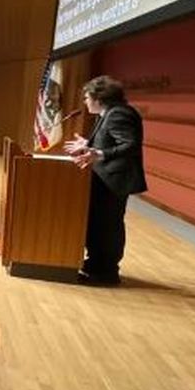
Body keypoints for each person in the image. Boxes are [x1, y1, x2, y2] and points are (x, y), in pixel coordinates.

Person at [64, 75, 147, 286]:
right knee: (97, 223)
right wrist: (88, 144)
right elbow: (110, 141)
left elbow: (130, 145)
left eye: (86, 97)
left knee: (108, 226)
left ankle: (107, 273)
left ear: (99, 97)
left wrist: (98, 152)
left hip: (114, 181)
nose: (85, 101)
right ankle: (95, 265)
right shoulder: (108, 113)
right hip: (104, 178)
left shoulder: (119, 114)